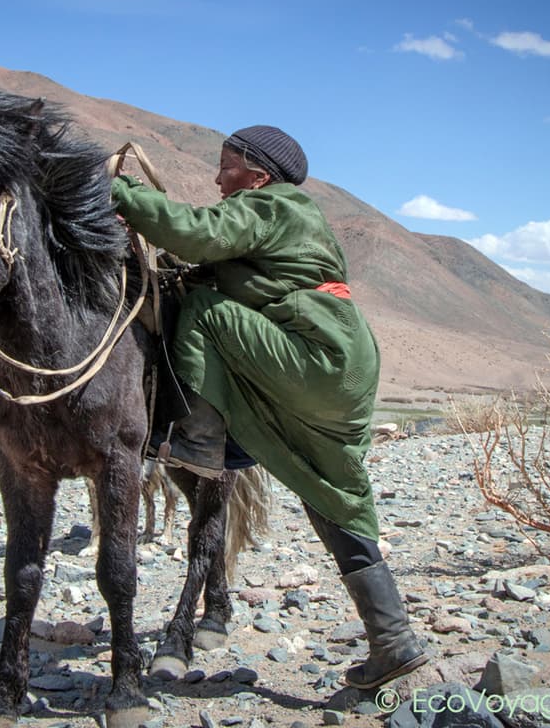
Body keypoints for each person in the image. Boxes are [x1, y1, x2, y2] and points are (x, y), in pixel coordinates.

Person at [110, 125, 427, 690]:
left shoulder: (271, 204)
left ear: (257, 175)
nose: (217, 177)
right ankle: (393, 639)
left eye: (226, 166)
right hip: (344, 363)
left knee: (203, 310)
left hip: (315, 354)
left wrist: (122, 195)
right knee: (328, 488)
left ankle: (198, 443)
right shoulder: (295, 220)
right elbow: (234, 268)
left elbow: (194, 233)